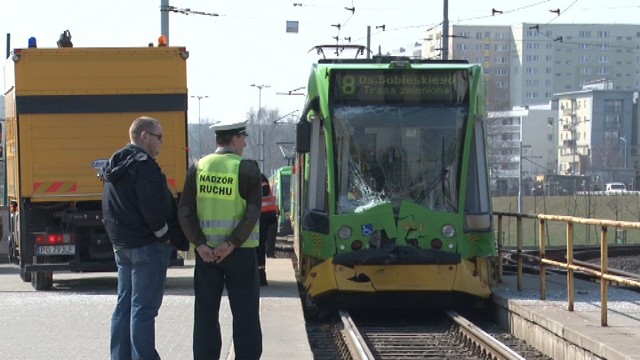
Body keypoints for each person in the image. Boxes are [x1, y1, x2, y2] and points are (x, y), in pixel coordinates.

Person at [177, 119, 262, 360]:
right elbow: (254, 211)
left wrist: (200, 244)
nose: (245, 142)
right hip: (241, 253)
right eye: (243, 137)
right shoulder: (247, 169)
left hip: (206, 255)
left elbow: (185, 211)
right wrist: (232, 243)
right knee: (245, 315)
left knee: (205, 314)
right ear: (234, 139)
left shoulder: (198, 167)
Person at [102, 116, 182, 360]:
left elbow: (109, 207)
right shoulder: (143, 166)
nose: (162, 143)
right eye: (159, 137)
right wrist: (165, 235)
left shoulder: (116, 164)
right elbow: (151, 206)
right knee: (143, 311)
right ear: (144, 136)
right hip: (147, 246)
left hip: (122, 246)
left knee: (124, 307)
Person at [258, 172, 279, 285]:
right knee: (260, 246)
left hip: (265, 218)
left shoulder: (260, 179)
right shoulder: (260, 178)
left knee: (260, 246)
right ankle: (260, 276)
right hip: (267, 217)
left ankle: (261, 276)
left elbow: (264, 192)